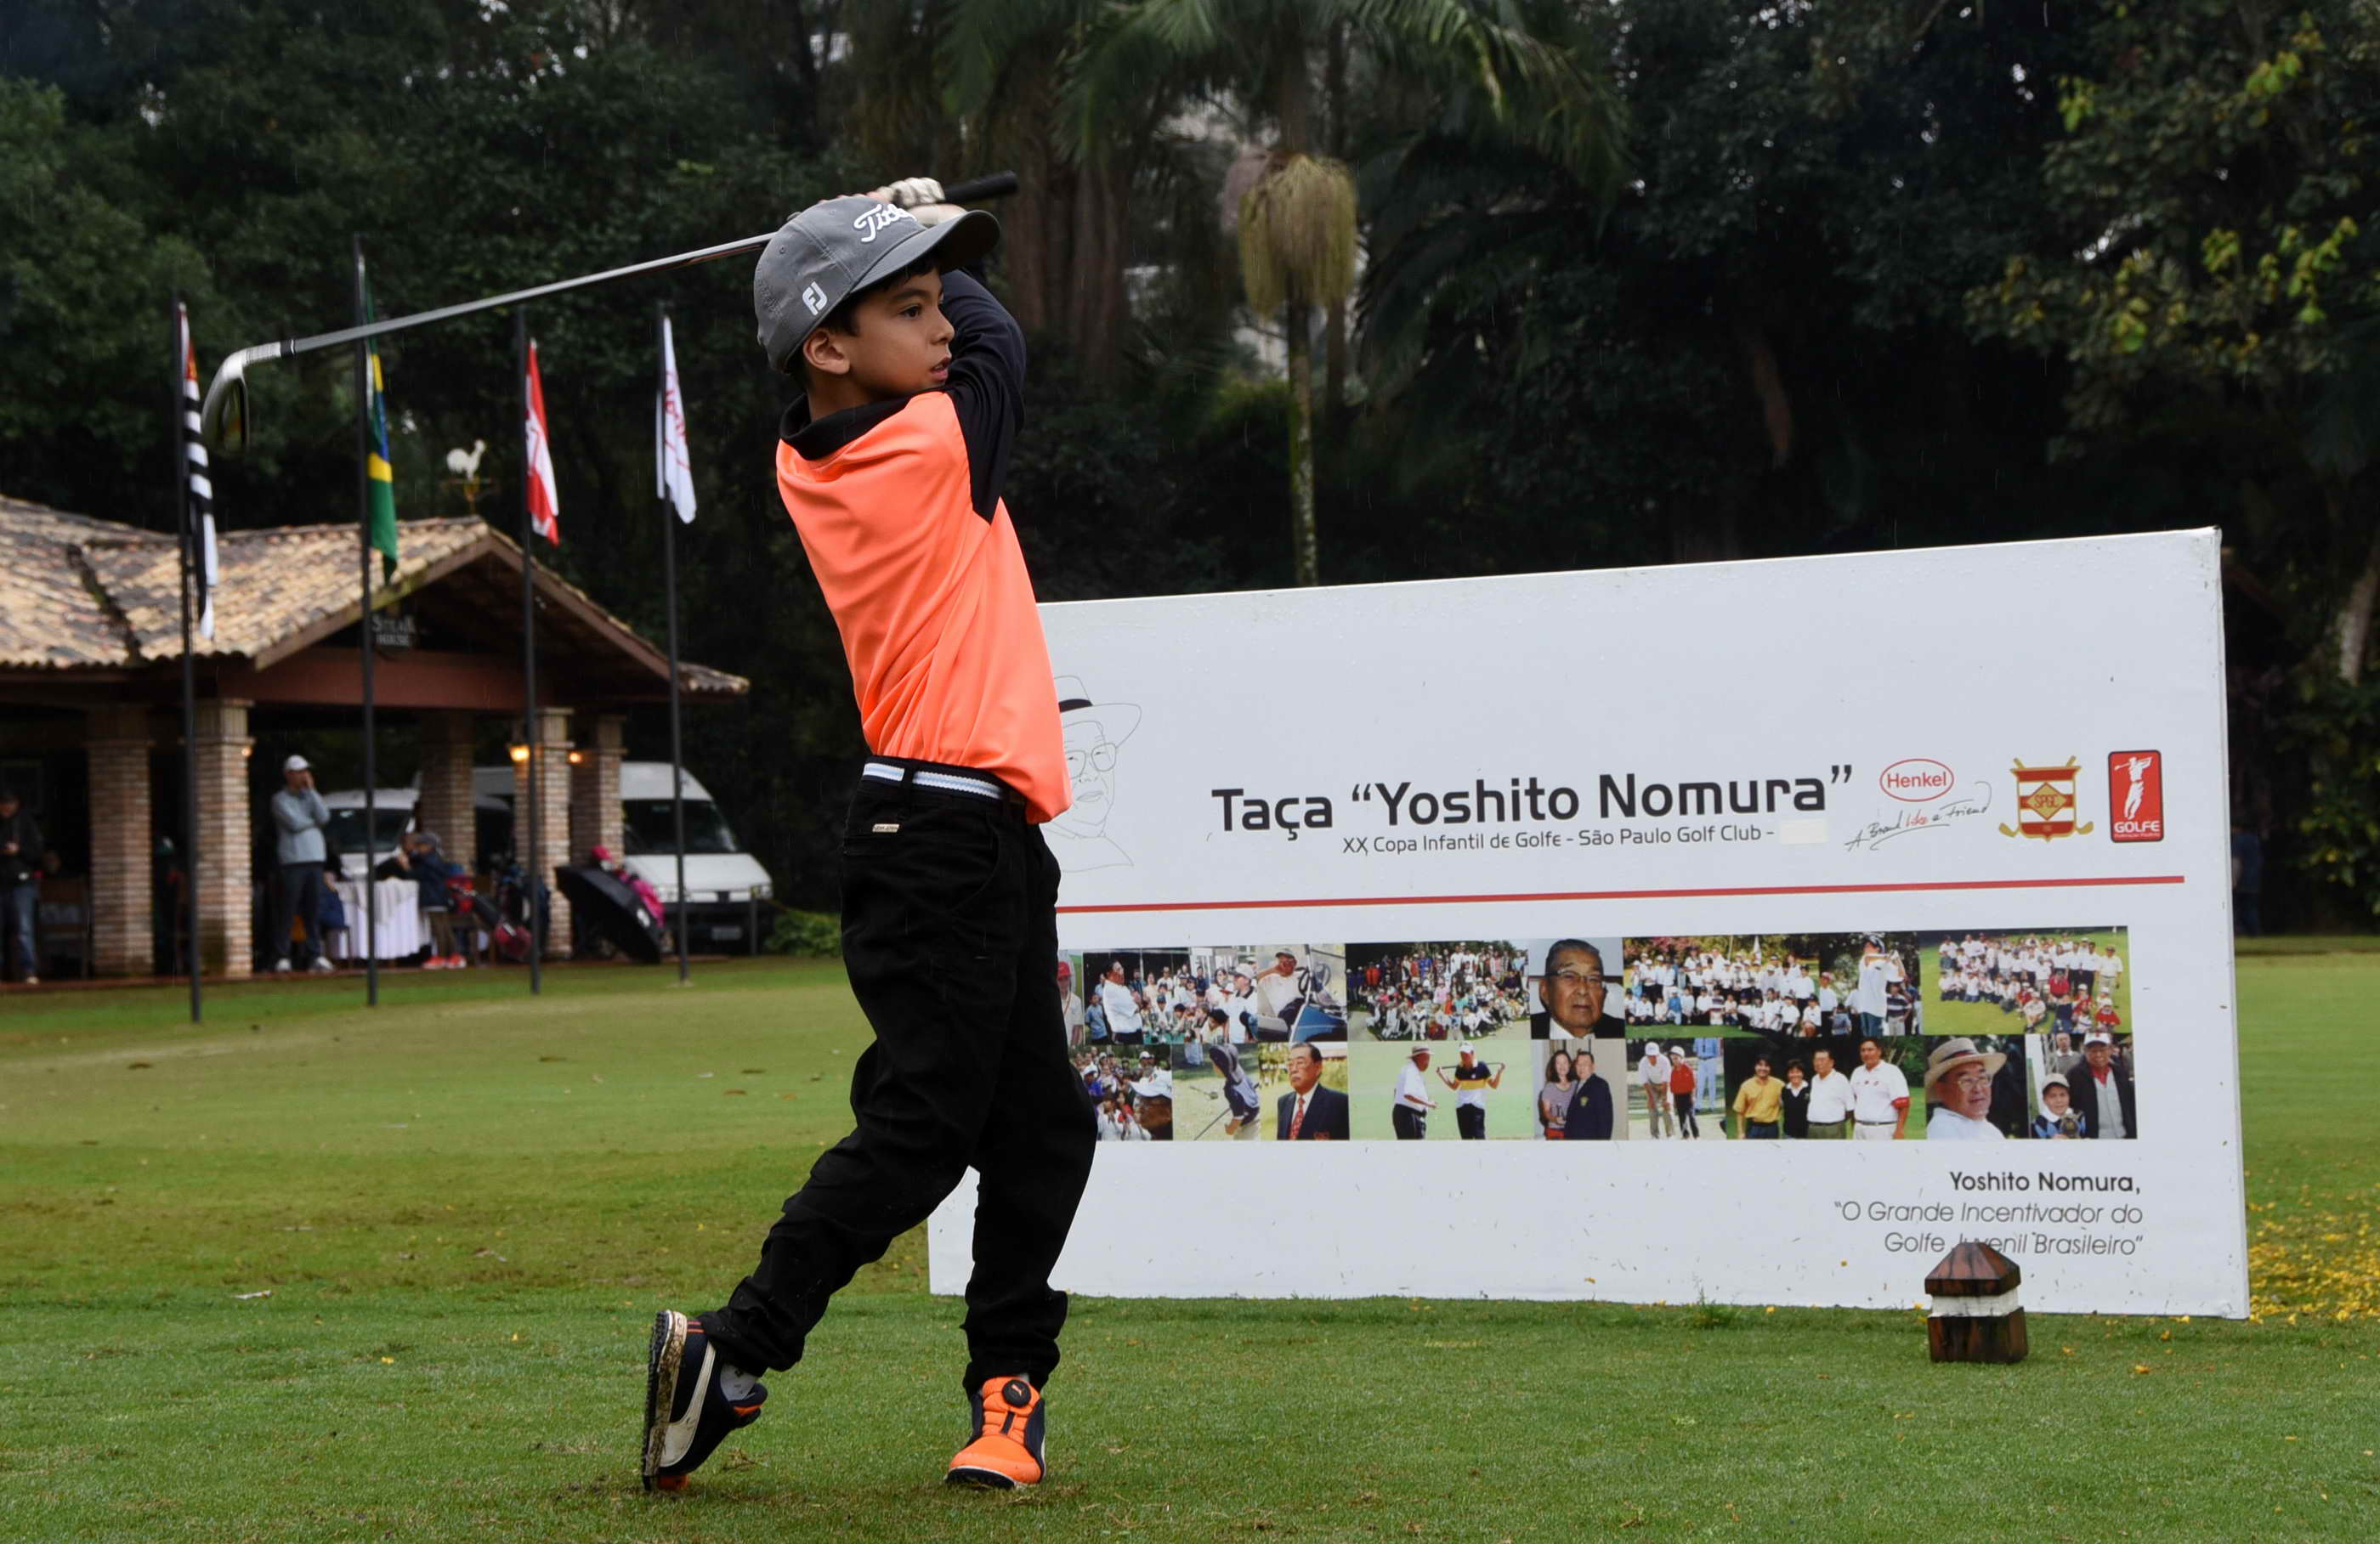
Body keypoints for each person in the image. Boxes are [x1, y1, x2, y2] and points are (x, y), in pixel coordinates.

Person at [643, 179, 1096, 1496]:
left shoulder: (823, 450)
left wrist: (909, 234)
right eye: (911, 308)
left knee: (1043, 1130)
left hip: (968, 831)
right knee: (924, 1127)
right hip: (938, 831)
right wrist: (928, 212)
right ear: (829, 346)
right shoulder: (925, 448)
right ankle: (732, 1349)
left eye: (938, 300)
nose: (945, 325)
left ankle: (1007, 1397)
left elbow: (969, 340)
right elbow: (1005, 343)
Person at [265, 755, 336, 974]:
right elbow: (294, 823)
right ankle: (282, 956)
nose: (304, 775)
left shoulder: (311, 796)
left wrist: (312, 791)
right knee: (288, 910)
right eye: (299, 772)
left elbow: (324, 817)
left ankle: (315, 955)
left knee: (313, 910)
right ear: (289, 775)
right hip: (293, 861)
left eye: (306, 771)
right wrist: (312, 822)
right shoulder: (280, 799)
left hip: (315, 859)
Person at [1529, 939, 1626, 1038]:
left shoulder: (1621, 1031)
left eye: (1593, 979)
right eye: (1569, 976)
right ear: (1545, 990)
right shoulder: (1527, 1030)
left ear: (1604, 993)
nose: (1583, 990)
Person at [1922, 1038, 2007, 1141]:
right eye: (1966, 1081)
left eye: (1982, 1078)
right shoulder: (1942, 1129)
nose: (1978, 1089)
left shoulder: (1989, 1129)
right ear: (1941, 1089)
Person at [0, 787, 42, 985]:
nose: (6, 808)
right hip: (1, 883)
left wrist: (19, 850)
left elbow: (37, 852)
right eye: (3, 804)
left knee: (24, 929)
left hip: (22, 883)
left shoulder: (25, 823)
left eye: (9, 804)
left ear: (16, 804)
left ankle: (29, 971)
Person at [2070, 1032, 2137, 1140]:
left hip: (2124, 1135)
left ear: (2110, 1050)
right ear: (2085, 1051)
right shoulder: (2075, 1076)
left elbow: (2131, 1104)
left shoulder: (2120, 1072)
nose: (2098, 1055)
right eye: (2093, 1051)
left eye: (2102, 1050)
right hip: (2095, 1138)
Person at [1275, 1041, 1347, 1140]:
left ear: (1317, 1068)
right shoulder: (1283, 1102)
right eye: (1290, 1064)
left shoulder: (1339, 1103)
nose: (1293, 1069)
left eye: (1300, 1063)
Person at [1848, 1037, 1911, 1140]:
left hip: (1882, 1129)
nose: (1866, 1053)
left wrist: (1899, 1130)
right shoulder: (1857, 1072)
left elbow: (1904, 1104)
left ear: (1879, 1051)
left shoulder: (1892, 1071)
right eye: (1863, 1050)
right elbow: (1854, 1099)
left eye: (1870, 1050)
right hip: (1859, 1129)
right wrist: (1854, 1124)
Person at [1437, 1043, 1501, 1140]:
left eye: (1466, 1054)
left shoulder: (1482, 1067)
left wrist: (1499, 1072)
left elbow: (1494, 1085)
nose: (1463, 1057)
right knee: (1466, 1139)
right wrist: (1441, 1075)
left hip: (1477, 1107)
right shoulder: (1459, 1068)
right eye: (1462, 1054)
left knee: (1480, 1137)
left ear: (1472, 1053)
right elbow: (1454, 1086)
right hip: (1462, 1107)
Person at [1562, 1047, 1614, 1140]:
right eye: (1578, 1064)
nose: (1581, 1067)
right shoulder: (1576, 1084)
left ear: (1593, 1067)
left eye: (1585, 1064)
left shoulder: (1600, 1085)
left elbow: (1605, 1120)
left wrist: (1603, 1144)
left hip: (1591, 1142)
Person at [1804, 1048, 1853, 1140]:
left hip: (1832, 1129)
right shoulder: (1814, 1079)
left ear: (1831, 1062)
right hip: (1813, 1128)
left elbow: (1850, 1107)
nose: (1819, 1063)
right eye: (1816, 1060)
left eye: (1822, 1060)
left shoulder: (1840, 1079)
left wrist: (1836, 1121)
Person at [1731, 1055, 1784, 1139]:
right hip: (1753, 1128)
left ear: (1770, 1068)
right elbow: (1739, 1111)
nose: (1763, 1068)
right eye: (1760, 1065)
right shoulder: (1746, 1086)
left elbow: (1787, 1103)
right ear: (1755, 1066)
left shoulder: (1779, 1085)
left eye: (1766, 1065)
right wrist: (1740, 1132)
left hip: (1772, 1128)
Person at [1391, 1043, 1436, 1138]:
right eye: (1427, 1058)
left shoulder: (1407, 1069)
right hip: (1409, 1117)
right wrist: (1428, 1103)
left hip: (1404, 1115)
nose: (1428, 1062)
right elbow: (1408, 1094)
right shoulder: (1412, 1071)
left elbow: (1397, 1091)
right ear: (1419, 1057)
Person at [1097, 959, 1147, 1047]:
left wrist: (1138, 1002)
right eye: (1118, 969)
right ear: (1109, 974)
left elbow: (1135, 1003)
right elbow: (1135, 1009)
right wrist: (1139, 1003)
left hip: (1134, 1035)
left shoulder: (1120, 987)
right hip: (1126, 1037)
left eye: (1122, 968)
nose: (1122, 971)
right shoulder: (1111, 990)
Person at [1538, 1048, 1579, 1138]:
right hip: (1555, 1132)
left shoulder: (1576, 1084)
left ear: (1569, 1064)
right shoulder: (1549, 1087)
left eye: (1565, 1062)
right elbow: (1546, 1112)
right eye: (1558, 1063)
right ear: (1554, 1066)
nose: (1562, 1066)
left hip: (1573, 1130)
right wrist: (1555, 1119)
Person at [1637, 1043, 1674, 1139]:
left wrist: (1665, 1098)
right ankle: (1655, 1135)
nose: (1652, 1058)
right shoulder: (1643, 1063)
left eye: (1654, 1055)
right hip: (1652, 1086)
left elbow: (1666, 1081)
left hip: (1665, 1085)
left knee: (1667, 1106)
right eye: (1650, 1056)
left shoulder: (1665, 1061)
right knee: (1651, 1107)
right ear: (1646, 1055)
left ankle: (1670, 1135)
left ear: (1658, 1054)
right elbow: (1645, 1082)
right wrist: (1651, 1098)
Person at [2032, 1074, 2084, 1140]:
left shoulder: (2081, 1117)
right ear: (2045, 1100)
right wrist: (2051, 1143)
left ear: (2069, 1096)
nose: (2059, 1100)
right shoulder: (2037, 1125)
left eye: (2062, 1095)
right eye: (2053, 1096)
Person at [1668, 1045, 1699, 1138]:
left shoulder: (1688, 1069)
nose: (1674, 1061)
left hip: (1688, 1095)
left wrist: (1693, 1096)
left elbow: (1693, 1084)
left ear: (1682, 1058)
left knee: (1691, 1116)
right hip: (1678, 1096)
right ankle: (1685, 1135)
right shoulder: (1673, 1071)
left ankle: (1696, 1135)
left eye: (1676, 1058)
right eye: (1672, 1059)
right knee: (1682, 1117)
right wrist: (1674, 1100)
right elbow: (1673, 1086)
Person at [1779, 1060, 1811, 1139]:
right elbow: (1782, 1107)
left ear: (1802, 1073)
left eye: (1798, 1072)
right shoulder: (1784, 1090)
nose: (1795, 1075)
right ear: (1787, 1074)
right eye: (1791, 1072)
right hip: (1789, 1134)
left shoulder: (1810, 1089)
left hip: (1807, 1134)